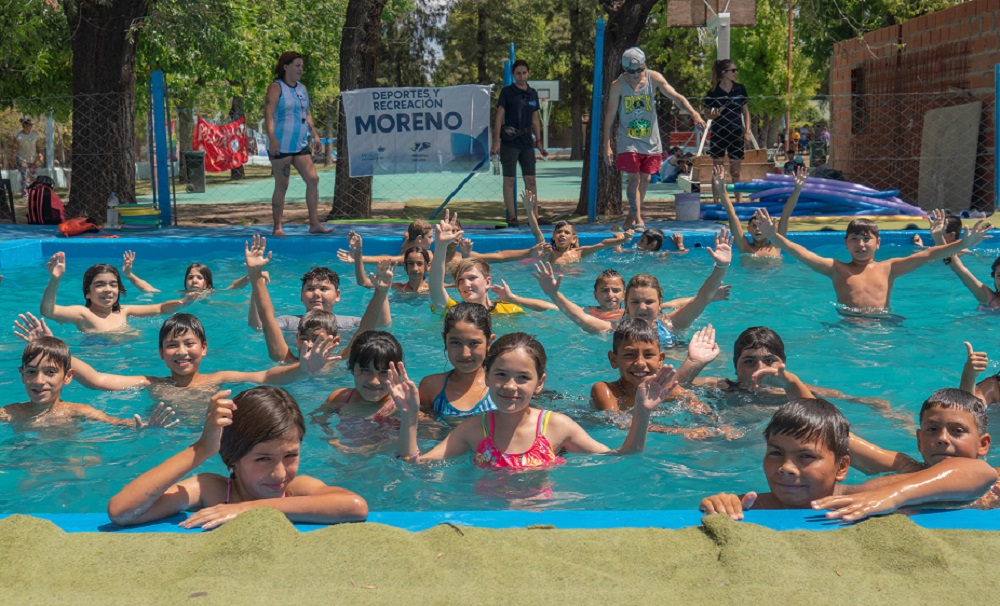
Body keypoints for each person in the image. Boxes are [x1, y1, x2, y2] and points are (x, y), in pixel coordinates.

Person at [390, 332, 679, 467]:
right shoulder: (473, 430)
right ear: (487, 376)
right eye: (501, 375)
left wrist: (642, 412)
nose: (510, 386)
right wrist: (409, 418)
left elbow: (622, 456)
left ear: (540, 383)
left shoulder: (557, 427)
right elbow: (413, 464)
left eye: (523, 378)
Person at [107, 386, 368, 529]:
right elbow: (122, 512)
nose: (280, 473)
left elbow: (355, 506)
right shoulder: (213, 490)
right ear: (233, 458)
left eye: (290, 455)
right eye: (263, 459)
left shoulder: (297, 489)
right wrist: (202, 448)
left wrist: (245, 509)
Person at [699, 398, 996, 522]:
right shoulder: (754, 503)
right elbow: (719, 507)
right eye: (776, 453)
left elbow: (977, 471)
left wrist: (892, 496)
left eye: (806, 457)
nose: (787, 468)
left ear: (842, 468)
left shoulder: (868, 495)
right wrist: (718, 503)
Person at [17, 313, 331, 400]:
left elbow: (265, 377)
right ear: (161, 353)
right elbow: (97, 380)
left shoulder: (219, 380)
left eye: (190, 344)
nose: (182, 352)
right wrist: (54, 346)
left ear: (204, 348)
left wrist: (303, 368)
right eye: (172, 345)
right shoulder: (151, 383)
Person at [753, 210, 993, 313]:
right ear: (846, 243)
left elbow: (928, 255)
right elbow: (803, 254)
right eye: (855, 239)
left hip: (883, 325)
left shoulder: (889, 268)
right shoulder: (837, 269)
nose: (861, 244)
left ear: (878, 243)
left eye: (867, 239)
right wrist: (774, 236)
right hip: (848, 325)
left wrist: (963, 244)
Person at [531, 229, 732, 349]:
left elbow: (702, 298)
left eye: (649, 302)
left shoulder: (673, 324)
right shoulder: (614, 329)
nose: (642, 307)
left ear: (660, 303)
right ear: (625, 304)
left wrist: (721, 267)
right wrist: (553, 294)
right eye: (635, 302)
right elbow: (578, 317)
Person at [674, 325, 899, 418]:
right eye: (749, 361)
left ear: (783, 363)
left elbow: (860, 400)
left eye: (769, 360)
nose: (760, 369)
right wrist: (694, 363)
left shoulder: (794, 392)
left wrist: (892, 414)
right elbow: (669, 391)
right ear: (735, 366)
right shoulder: (719, 386)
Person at [841, 388, 1000, 514]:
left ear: (983, 444)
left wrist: (893, 494)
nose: (942, 438)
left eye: (957, 431)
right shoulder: (908, 468)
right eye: (932, 429)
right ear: (919, 440)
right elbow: (837, 437)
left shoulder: (994, 487)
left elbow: (976, 471)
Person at [243, 235, 391, 364]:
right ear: (296, 338)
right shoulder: (285, 357)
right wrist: (256, 277)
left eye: (316, 338)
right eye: (304, 338)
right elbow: (266, 321)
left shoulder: (342, 358)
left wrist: (381, 292)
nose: (309, 344)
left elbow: (368, 327)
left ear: (335, 341)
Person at [604, 47, 705, 231]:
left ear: (645, 65)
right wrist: (607, 145)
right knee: (633, 179)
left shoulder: (654, 78)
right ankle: (639, 220)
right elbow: (609, 116)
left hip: (651, 141)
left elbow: (677, 97)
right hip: (628, 140)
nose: (635, 75)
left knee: (646, 179)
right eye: (630, 71)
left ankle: (630, 218)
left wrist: (694, 114)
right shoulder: (618, 85)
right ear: (624, 69)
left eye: (639, 70)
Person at [2, 334, 176, 430]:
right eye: (32, 372)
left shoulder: (77, 411)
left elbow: (116, 422)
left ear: (68, 376)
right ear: (22, 374)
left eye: (50, 372)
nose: (39, 381)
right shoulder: (11, 413)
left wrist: (145, 427)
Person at [40, 252, 196, 333]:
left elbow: (160, 308)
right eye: (100, 285)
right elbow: (49, 311)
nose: (108, 289)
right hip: (99, 358)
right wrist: (55, 280)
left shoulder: (123, 311)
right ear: (88, 293)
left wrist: (181, 303)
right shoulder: (83, 314)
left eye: (113, 285)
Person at [263, 51, 331, 237]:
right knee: (282, 184)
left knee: (313, 179)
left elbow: (307, 113)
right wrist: (272, 138)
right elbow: (268, 113)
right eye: (297, 65)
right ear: (286, 67)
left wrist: (315, 135)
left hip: (300, 144)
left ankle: (314, 224)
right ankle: (277, 227)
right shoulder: (276, 87)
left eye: (302, 66)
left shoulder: (302, 88)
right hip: (281, 144)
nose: (301, 69)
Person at [428, 215, 555, 314]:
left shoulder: (506, 309)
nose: (466, 284)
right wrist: (441, 245)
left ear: (488, 282)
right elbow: (435, 287)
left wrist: (514, 299)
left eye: (472, 278)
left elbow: (554, 310)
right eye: (460, 280)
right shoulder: (454, 311)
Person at [418, 303, 496, 427]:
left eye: (474, 343)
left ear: (489, 341)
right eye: (456, 342)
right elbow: (421, 427)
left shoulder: (501, 385)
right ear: (445, 340)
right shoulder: (431, 387)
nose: (465, 354)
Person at [491, 59, 547, 227]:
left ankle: (534, 217)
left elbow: (535, 120)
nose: (521, 76)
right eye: (518, 73)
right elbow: (499, 117)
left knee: (531, 180)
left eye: (524, 73)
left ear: (528, 73)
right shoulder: (507, 92)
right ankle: (513, 218)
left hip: (526, 143)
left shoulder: (532, 94)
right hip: (509, 141)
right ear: (513, 75)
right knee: (509, 180)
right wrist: (496, 142)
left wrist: (539, 142)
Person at [715, 165, 805, 259]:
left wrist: (797, 189)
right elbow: (731, 215)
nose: (758, 229)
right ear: (748, 228)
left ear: (771, 228)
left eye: (762, 225)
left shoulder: (776, 245)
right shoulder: (744, 246)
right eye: (754, 225)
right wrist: (721, 189)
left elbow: (786, 215)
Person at [520, 190, 631, 264]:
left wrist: (624, 239)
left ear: (573, 238)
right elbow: (536, 231)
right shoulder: (548, 252)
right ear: (553, 236)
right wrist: (529, 209)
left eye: (567, 233)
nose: (562, 234)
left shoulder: (579, 253)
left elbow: (603, 244)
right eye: (559, 232)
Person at [704, 60, 751, 203]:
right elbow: (706, 113)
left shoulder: (740, 89)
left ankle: (738, 202)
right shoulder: (713, 92)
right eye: (733, 70)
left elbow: (746, 111)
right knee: (718, 170)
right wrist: (715, 113)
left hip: (736, 132)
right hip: (719, 132)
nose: (736, 73)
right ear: (724, 73)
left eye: (736, 70)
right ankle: (717, 201)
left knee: (736, 171)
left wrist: (747, 131)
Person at [121, 251, 250, 293]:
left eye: (199, 278)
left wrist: (251, 275)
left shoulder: (211, 293)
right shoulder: (181, 294)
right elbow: (149, 289)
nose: (194, 280)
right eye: (190, 277)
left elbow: (233, 287)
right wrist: (129, 274)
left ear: (208, 284)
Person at [12, 117, 42, 198]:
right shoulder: (17, 135)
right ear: (24, 125)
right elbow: (14, 147)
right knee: (25, 175)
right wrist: (13, 156)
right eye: (29, 124)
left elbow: (37, 146)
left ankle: (33, 193)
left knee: (33, 176)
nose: (31, 126)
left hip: (32, 158)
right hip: (21, 157)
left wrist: (39, 154)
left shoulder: (34, 135)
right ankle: (25, 194)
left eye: (31, 125)